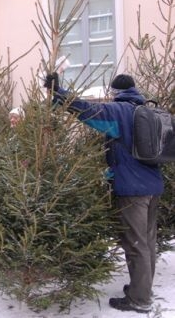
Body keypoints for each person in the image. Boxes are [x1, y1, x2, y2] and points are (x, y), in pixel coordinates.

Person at [45, 73, 164, 313]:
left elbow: (86, 111)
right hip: (153, 187)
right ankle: (142, 289)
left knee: (136, 244)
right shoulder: (147, 110)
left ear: (114, 92)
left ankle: (140, 300)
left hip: (132, 189)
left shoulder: (120, 110)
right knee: (147, 241)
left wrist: (58, 93)